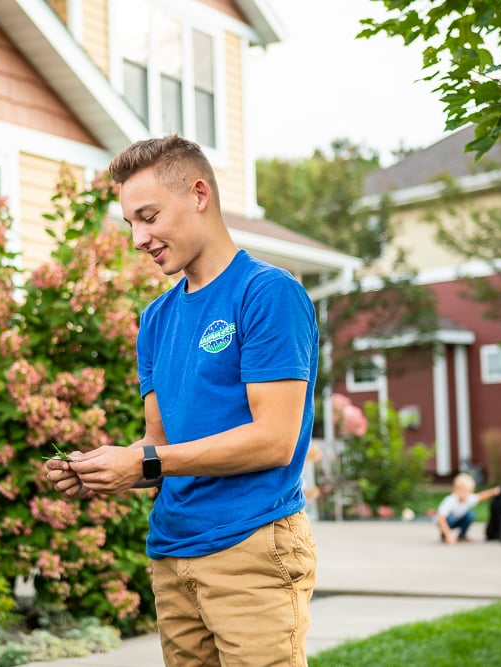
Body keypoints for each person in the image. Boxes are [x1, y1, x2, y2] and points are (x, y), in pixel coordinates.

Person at [46, 135, 320, 666]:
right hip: (173, 555)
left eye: (148, 216)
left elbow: (275, 440)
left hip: (252, 548)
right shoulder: (156, 320)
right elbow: (160, 446)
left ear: (199, 194)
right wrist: (106, 469)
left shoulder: (266, 293)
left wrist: (147, 460)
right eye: (129, 223)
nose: (137, 238)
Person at [435, 472, 501, 544]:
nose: (465, 494)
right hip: (447, 521)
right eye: (462, 491)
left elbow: (481, 496)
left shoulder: (468, 498)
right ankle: (445, 534)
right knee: (450, 518)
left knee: (470, 515)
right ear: (455, 489)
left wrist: (494, 491)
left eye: (467, 492)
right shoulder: (450, 500)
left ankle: (462, 535)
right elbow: (441, 519)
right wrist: (448, 535)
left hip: (459, 520)